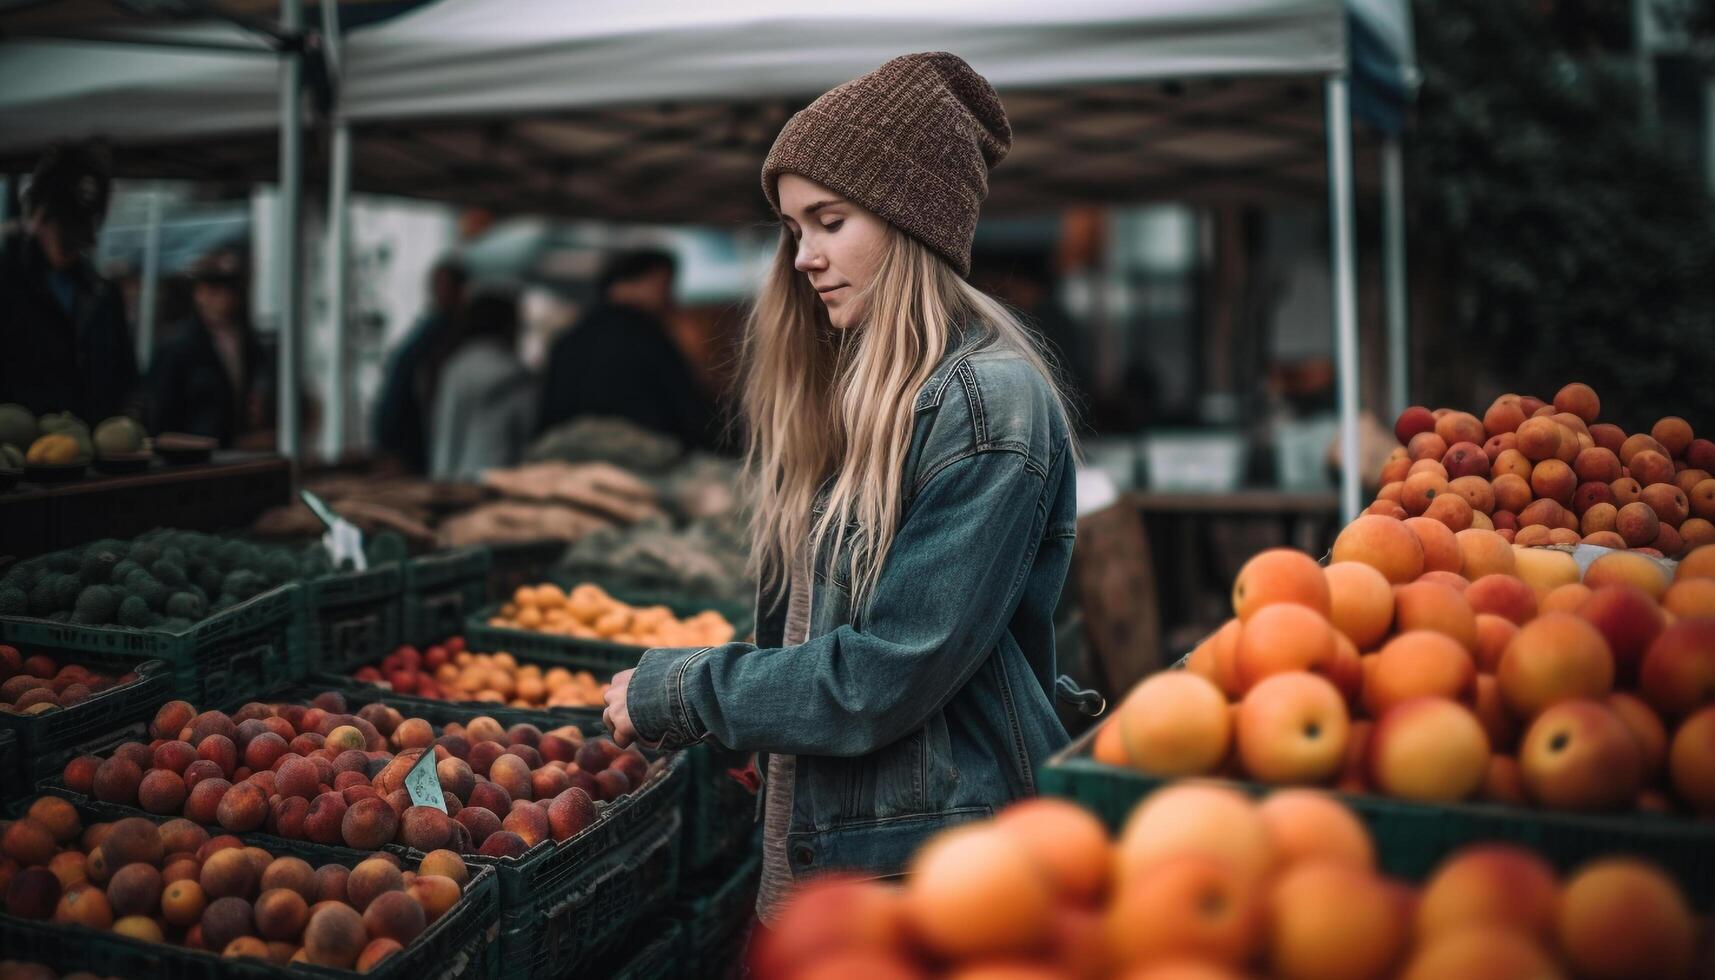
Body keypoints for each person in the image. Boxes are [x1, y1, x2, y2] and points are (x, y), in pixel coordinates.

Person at [602, 53, 1078, 921]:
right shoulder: (859, 393)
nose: (804, 258)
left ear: (912, 224)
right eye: (792, 229)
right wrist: (762, 722)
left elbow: (883, 676)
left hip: (937, 873)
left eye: (829, 221)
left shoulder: (984, 404)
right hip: (841, 845)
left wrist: (690, 692)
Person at [0, 141, 139, 423]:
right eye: (62, 230)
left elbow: (125, 378)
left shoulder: (101, 294)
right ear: (38, 217)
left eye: (78, 234)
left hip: (90, 451)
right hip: (23, 454)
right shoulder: (8, 286)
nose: (69, 248)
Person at [535, 249, 717, 448]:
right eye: (662, 284)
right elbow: (685, 406)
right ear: (631, 282)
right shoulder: (644, 334)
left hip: (571, 453)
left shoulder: (570, 338)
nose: (668, 295)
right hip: (640, 456)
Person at [145, 249, 274, 447]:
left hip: (238, 449)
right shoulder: (177, 346)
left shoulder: (250, 342)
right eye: (215, 290)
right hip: (194, 453)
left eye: (231, 289)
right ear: (199, 293)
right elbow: (160, 412)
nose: (224, 298)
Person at [425, 290, 537, 479]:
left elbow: (446, 435)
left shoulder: (456, 366)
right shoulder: (516, 374)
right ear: (508, 325)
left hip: (456, 480)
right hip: (501, 480)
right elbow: (527, 436)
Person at [373, 258, 467, 472]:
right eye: (436, 285)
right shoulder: (435, 329)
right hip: (412, 439)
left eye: (442, 285)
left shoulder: (435, 328)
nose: (436, 292)